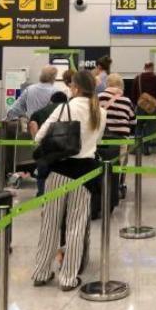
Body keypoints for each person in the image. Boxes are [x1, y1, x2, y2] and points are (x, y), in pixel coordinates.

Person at [31, 70, 106, 291]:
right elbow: (97, 141)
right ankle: (68, 278)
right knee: (77, 226)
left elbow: (39, 137)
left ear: (76, 87)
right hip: (86, 172)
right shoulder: (101, 112)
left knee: (50, 224)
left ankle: (41, 272)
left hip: (59, 170)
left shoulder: (64, 108)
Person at [29, 91, 69, 196]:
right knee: (63, 175)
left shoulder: (39, 112)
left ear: (51, 101)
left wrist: (36, 143)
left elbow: (33, 125)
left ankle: (42, 195)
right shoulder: (69, 110)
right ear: (66, 101)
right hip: (64, 149)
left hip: (45, 149)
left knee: (42, 175)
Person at [131, 62, 156, 155]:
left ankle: (136, 149)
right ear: (152, 67)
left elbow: (133, 94)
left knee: (138, 127)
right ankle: (146, 150)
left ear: (144, 67)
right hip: (151, 108)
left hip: (140, 107)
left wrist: (136, 104)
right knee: (148, 127)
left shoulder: (138, 78)